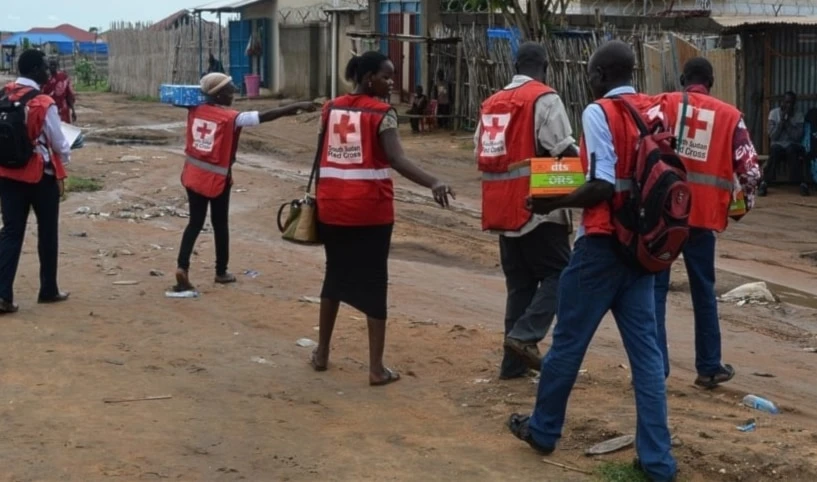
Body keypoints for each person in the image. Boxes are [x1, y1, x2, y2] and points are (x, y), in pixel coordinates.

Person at [507, 40, 677, 482]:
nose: (588, 78)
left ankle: (543, 430)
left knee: (567, 343)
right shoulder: (655, 109)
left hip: (601, 244)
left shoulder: (599, 111)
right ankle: (658, 462)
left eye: (590, 72)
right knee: (647, 357)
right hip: (642, 249)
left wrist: (552, 204)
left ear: (601, 75)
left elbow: (601, 185)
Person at [310, 51, 455, 386]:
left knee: (334, 275)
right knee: (374, 283)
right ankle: (376, 369)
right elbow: (396, 158)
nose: (390, 83)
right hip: (370, 211)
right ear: (366, 78)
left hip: (331, 207)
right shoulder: (382, 113)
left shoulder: (330, 108)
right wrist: (433, 181)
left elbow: (320, 156)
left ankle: (321, 354)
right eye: (386, 77)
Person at [653, 57, 761, 389]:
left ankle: (655, 369)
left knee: (654, 292)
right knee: (703, 291)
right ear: (711, 82)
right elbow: (751, 171)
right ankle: (709, 367)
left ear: (683, 79)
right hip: (702, 220)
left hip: (665, 216)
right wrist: (740, 208)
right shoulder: (731, 117)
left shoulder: (665, 106)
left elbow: (642, 148)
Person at [474, 42, 576, 379]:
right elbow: (563, 148)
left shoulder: (491, 103)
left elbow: (481, 150)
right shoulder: (544, 98)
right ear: (545, 66)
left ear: (514, 64)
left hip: (501, 208)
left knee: (519, 286)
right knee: (563, 274)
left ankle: (512, 365)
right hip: (539, 208)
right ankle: (525, 335)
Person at [174, 73, 315, 291]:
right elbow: (266, 116)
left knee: (195, 223)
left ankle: (182, 267)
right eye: (230, 90)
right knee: (220, 225)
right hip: (217, 180)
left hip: (192, 175)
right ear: (219, 95)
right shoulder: (232, 118)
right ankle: (221, 272)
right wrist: (296, 106)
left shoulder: (194, 110)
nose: (234, 93)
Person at [0, 49, 72, 313]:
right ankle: (48, 289)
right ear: (33, 70)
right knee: (47, 232)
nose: (47, 71)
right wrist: (68, 152)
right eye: (43, 67)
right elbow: (58, 143)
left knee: (10, 232)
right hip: (40, 175)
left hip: (7, 174)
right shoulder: (42, 102)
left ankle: (2, 293)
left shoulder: (4, 94)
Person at [761, 91, 808, 196]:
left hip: (792, 145)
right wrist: (781, 122)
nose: (788, 105)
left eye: (791, 103)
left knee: (792, 150)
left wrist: (787, 123)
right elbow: (773, 136)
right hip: (777, 145)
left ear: (794, 104)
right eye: (786, 102)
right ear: (782, 102)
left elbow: (797, 137)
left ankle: (800, 182)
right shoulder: (774, 113)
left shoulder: (798, 115)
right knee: (775, 151)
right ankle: (765, 182)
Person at [42, 58, 76, 124]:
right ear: (48, 66)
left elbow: (69, 95)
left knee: (65, 130)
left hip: (63, 111)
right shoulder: (44, 79)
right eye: (51, 65)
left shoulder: (63, 77)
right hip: (49, 111)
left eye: (54, 65)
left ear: (57, 66)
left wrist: (73, 111)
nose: (52, 67)